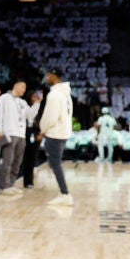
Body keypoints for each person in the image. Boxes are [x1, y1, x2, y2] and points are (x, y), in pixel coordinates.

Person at [37, 68, 74, 206]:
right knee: (55, 163)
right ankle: (64, 193)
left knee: (55, 164)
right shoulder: (66, 94)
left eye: (48, 75)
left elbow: (50, 116)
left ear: (54, 76)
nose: (47, 77)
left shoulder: (55, 94)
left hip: (55, 133)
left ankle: (65, 194)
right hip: (63, 132)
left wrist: (43, 129)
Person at [0, 80, 27, 194]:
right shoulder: (4, 98)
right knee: (8, 160)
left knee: (17, 161)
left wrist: (37, 103)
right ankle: (4, 185)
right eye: (22, 87)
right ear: (15, 85)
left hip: (21, 134)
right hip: (9, 132)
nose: (24, 90)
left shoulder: (23, 102)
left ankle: (12, 183)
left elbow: (30, 115)